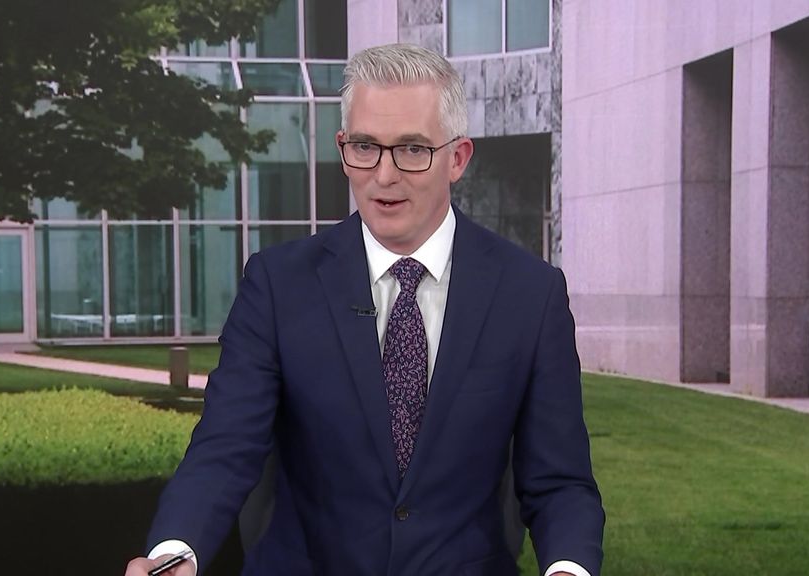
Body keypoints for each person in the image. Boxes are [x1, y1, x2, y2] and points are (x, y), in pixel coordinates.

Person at [125, 43, 604, 576]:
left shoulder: (529, 294)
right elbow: (224, 448)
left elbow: (559, 481)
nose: (384, 175)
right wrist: (173, 555)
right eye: (365, 147)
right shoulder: (278, 285)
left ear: (458, 158)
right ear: (342, 147)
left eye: (412, 150)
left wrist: (568, 568)